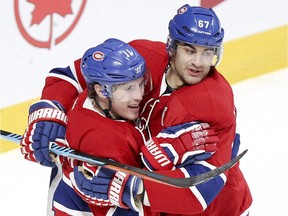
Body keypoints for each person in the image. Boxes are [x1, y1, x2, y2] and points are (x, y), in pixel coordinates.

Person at [21, 4, 252, 215]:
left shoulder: (214, 103)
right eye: (190, 50)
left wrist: (128, 187)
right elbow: (72, 76)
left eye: (207, 52)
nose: (199, 63)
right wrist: (50, 113)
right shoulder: (141, 56)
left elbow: (199, 190)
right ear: (172, 47)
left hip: (218, 208)